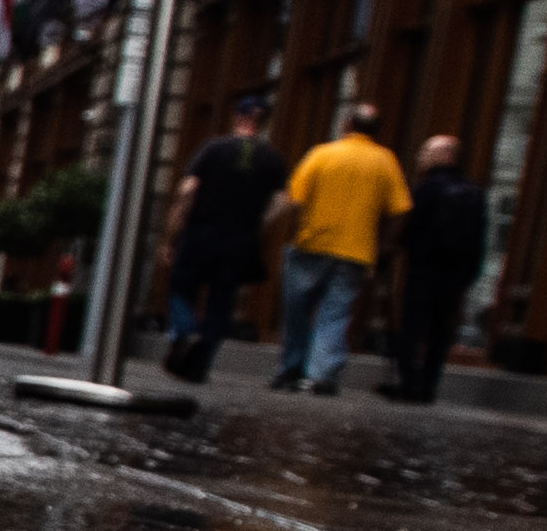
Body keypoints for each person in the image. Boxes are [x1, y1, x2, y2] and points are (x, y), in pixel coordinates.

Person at [271, 99, 411, 394]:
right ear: (377, 131)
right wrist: (385, 246)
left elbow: (295, 199)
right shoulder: (385, 161)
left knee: (297, 309)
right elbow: (401, 210)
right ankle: (321, 375)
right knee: (335, 314)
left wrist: (295, 230)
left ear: (346, 125)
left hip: (312, 243)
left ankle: (291, 368)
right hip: (355, 251)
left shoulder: (322, 154)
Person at [158, 91, 288, 382]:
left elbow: (187, 191)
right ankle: (200, 363)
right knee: (222, 301)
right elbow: (281, 201)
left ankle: (185, 329)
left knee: (181, 288)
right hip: (240, 240)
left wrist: (170, 236)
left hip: (201, 233)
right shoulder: (271, 159)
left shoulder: (213, 149)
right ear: (264, 123)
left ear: (237, 118)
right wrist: (258, 223)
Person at [389, 132, 490, 403]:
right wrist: (470, 272)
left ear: (444, 155)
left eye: (427, 151)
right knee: (440, 331)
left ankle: (409, 382)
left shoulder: (426, 188)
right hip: (455, 273)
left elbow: (409, 227)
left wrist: (399, 248)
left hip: (424, 268)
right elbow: (479, 236)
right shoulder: (473, 192)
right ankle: (428, 385)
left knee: (413, 326)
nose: (421, 156)